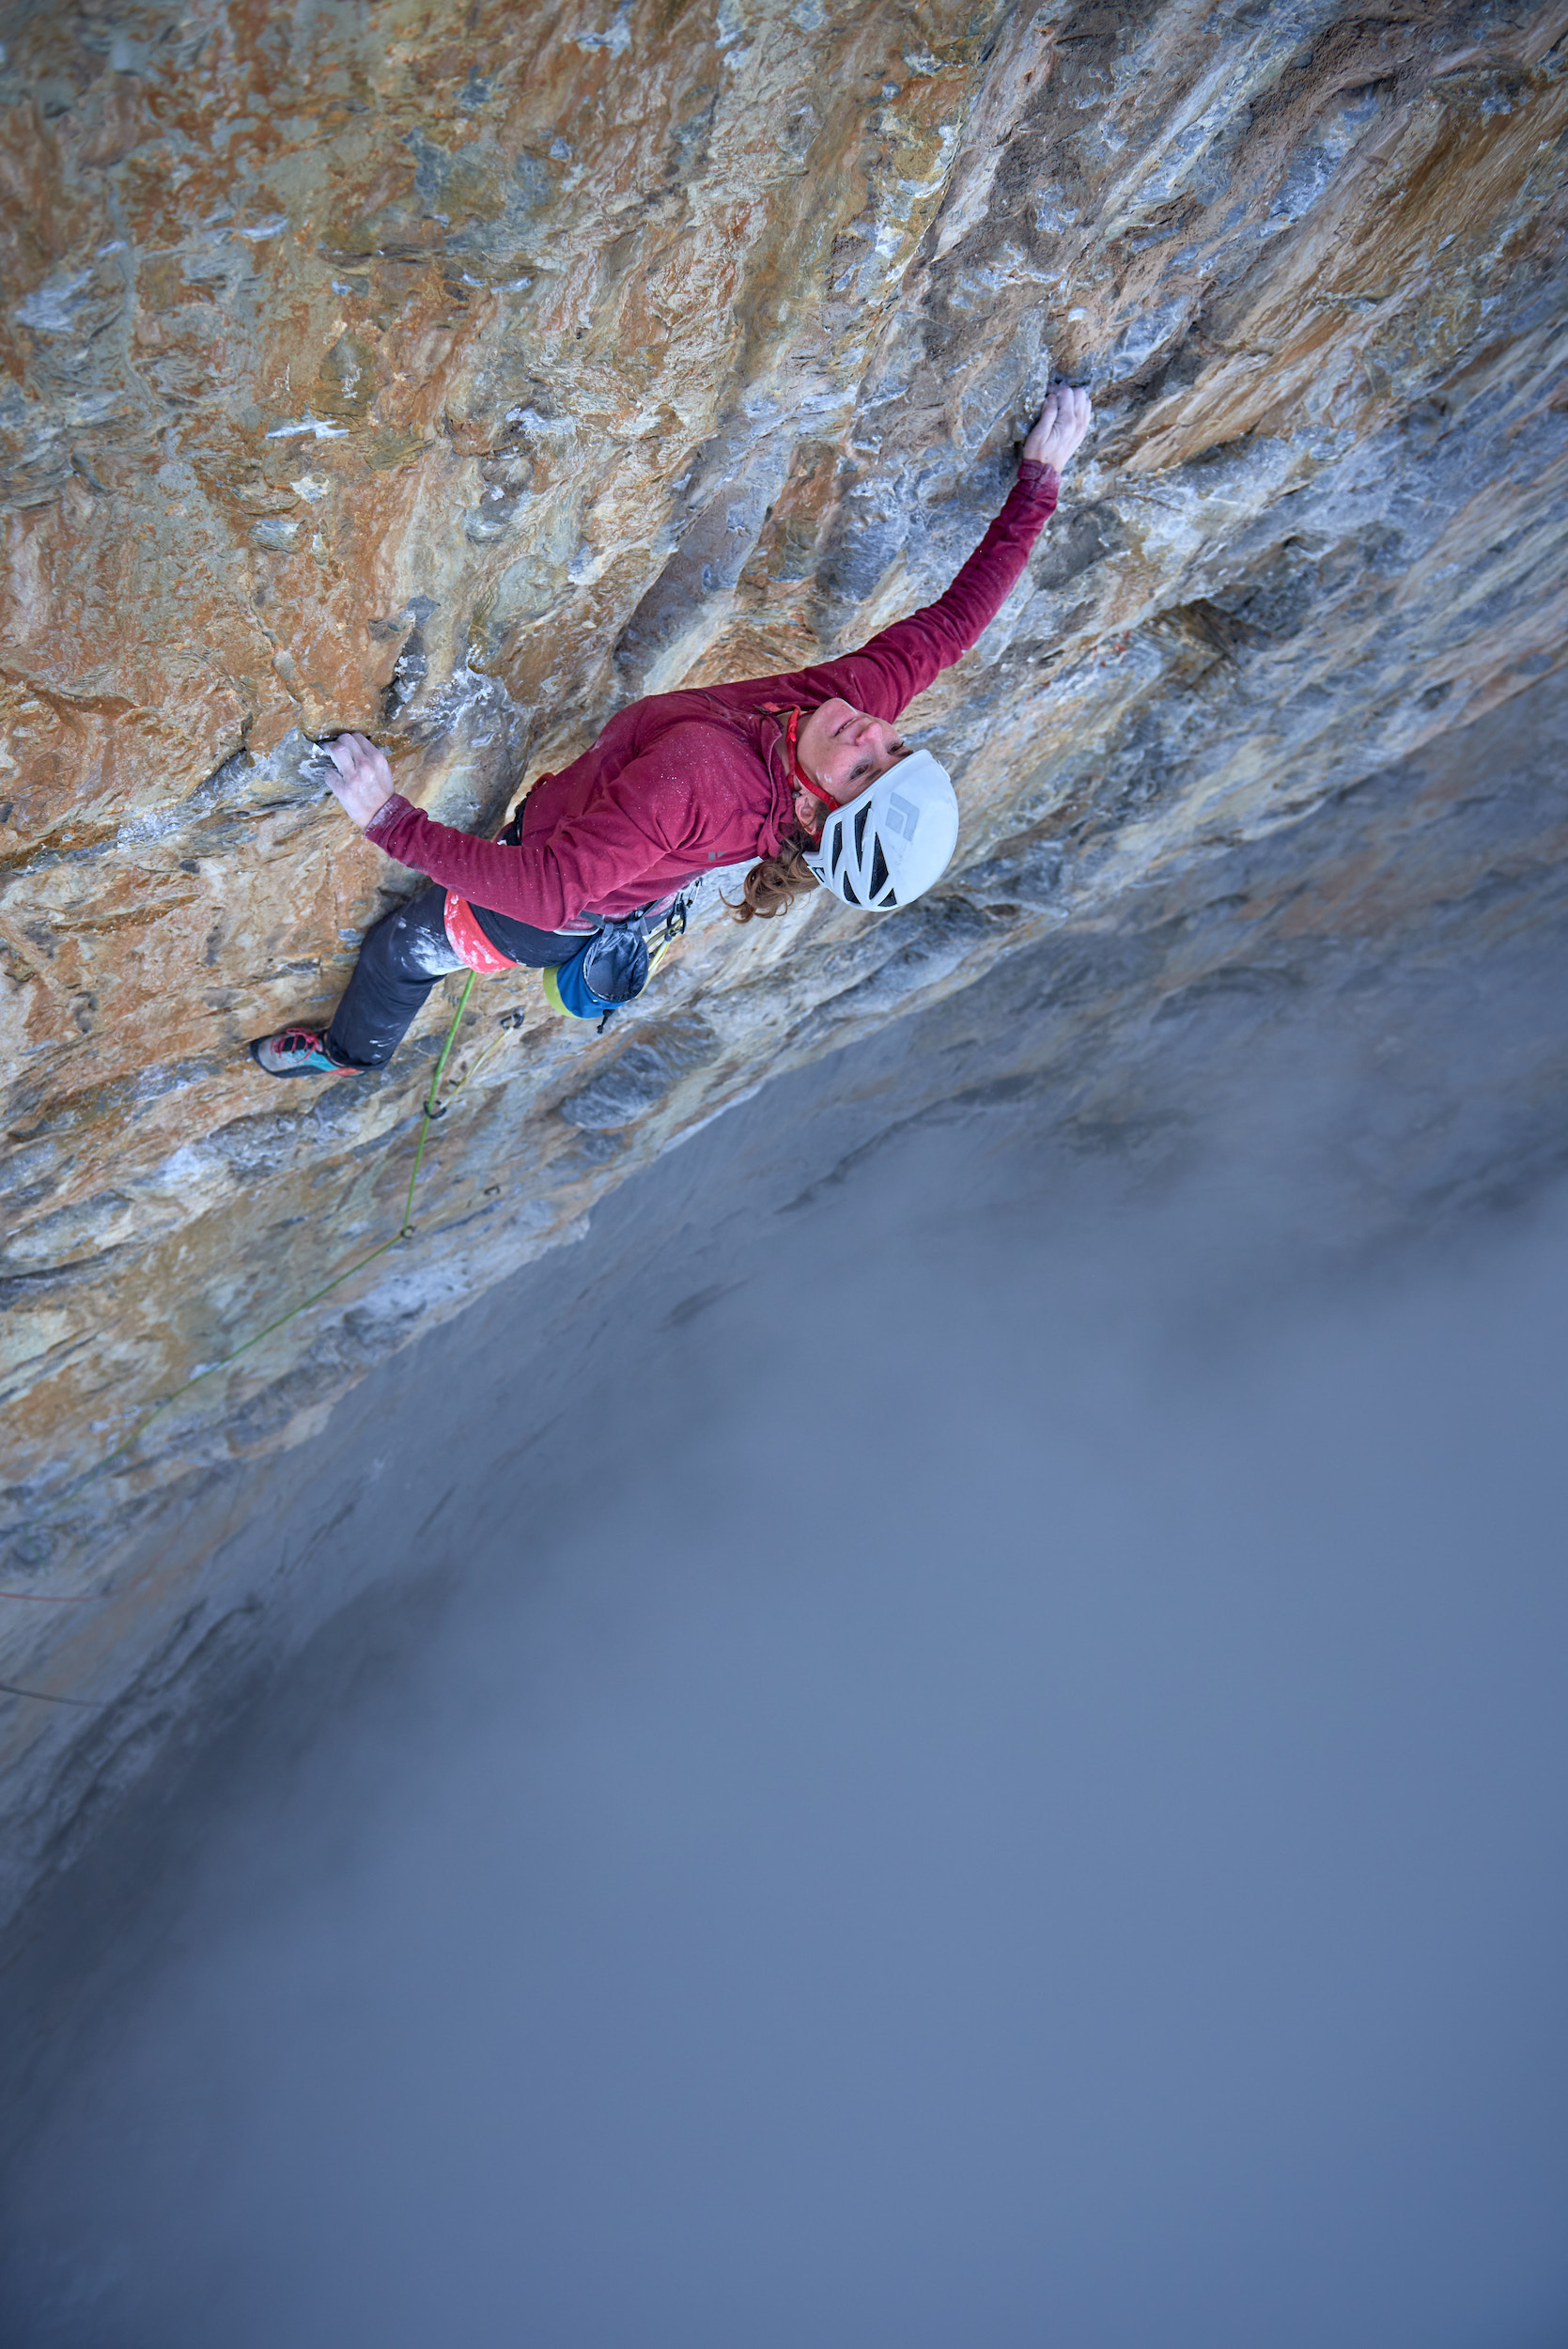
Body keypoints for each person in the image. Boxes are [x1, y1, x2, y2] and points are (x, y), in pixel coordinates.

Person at [251, 383, 1094, 1077]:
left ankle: (347, 1053)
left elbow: (545, 890)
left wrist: (387, 819)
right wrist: (1038, 485)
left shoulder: (700, 780)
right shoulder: (844, 709)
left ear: (811, 815)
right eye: (894, 748)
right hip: (608, 864)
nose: (872, 734)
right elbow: (952, 628)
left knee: (400, 951)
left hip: (543, 912)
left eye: (862, 770)